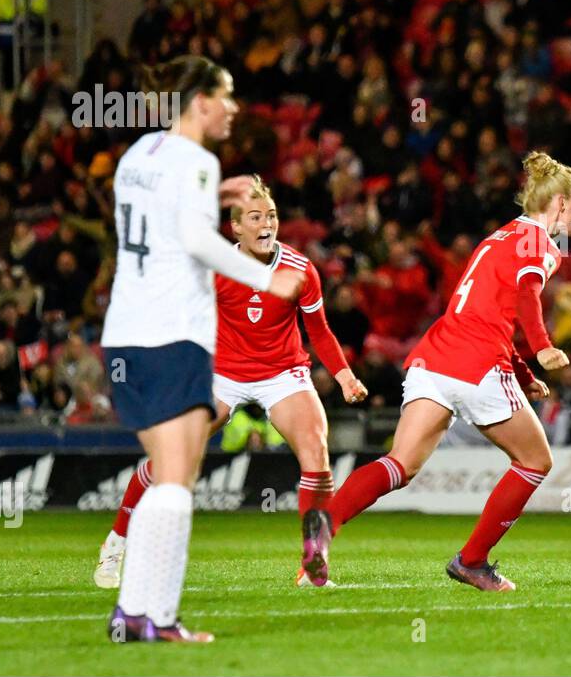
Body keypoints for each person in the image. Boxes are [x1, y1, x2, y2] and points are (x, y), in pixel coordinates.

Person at [100, 56, 304, 643]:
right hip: (172, 336)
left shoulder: (139, 154)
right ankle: (151, 617)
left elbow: (160, 221)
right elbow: (191, 240)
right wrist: (268, 278)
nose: (234, 107)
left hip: (126, 334)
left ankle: (136, 613)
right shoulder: (195, 160)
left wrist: (215, 194)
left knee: (169, 477)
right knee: (174, 482)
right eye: (227, 95)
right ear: (200, 101)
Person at [321, 151, 571, 591]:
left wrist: (520, 372)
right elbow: (526, 298)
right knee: (535, 460)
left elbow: (487, 310)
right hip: (477, 363)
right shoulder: (540, 243)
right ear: (559, 205)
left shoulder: (497, 238)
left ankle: (323, 525)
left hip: (435, 356)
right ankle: (472, 562)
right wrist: (542, 348)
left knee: (399, 464)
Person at [94, 176, 368, 590]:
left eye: (271, 216)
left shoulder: (299, 270)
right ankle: (116, 542)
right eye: (254, 217)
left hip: (283, 371)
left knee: (316, 452)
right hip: (224, 373)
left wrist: (345, 375)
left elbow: (320, 331)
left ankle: (315, 562)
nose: (266, 224)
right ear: (236, 227)